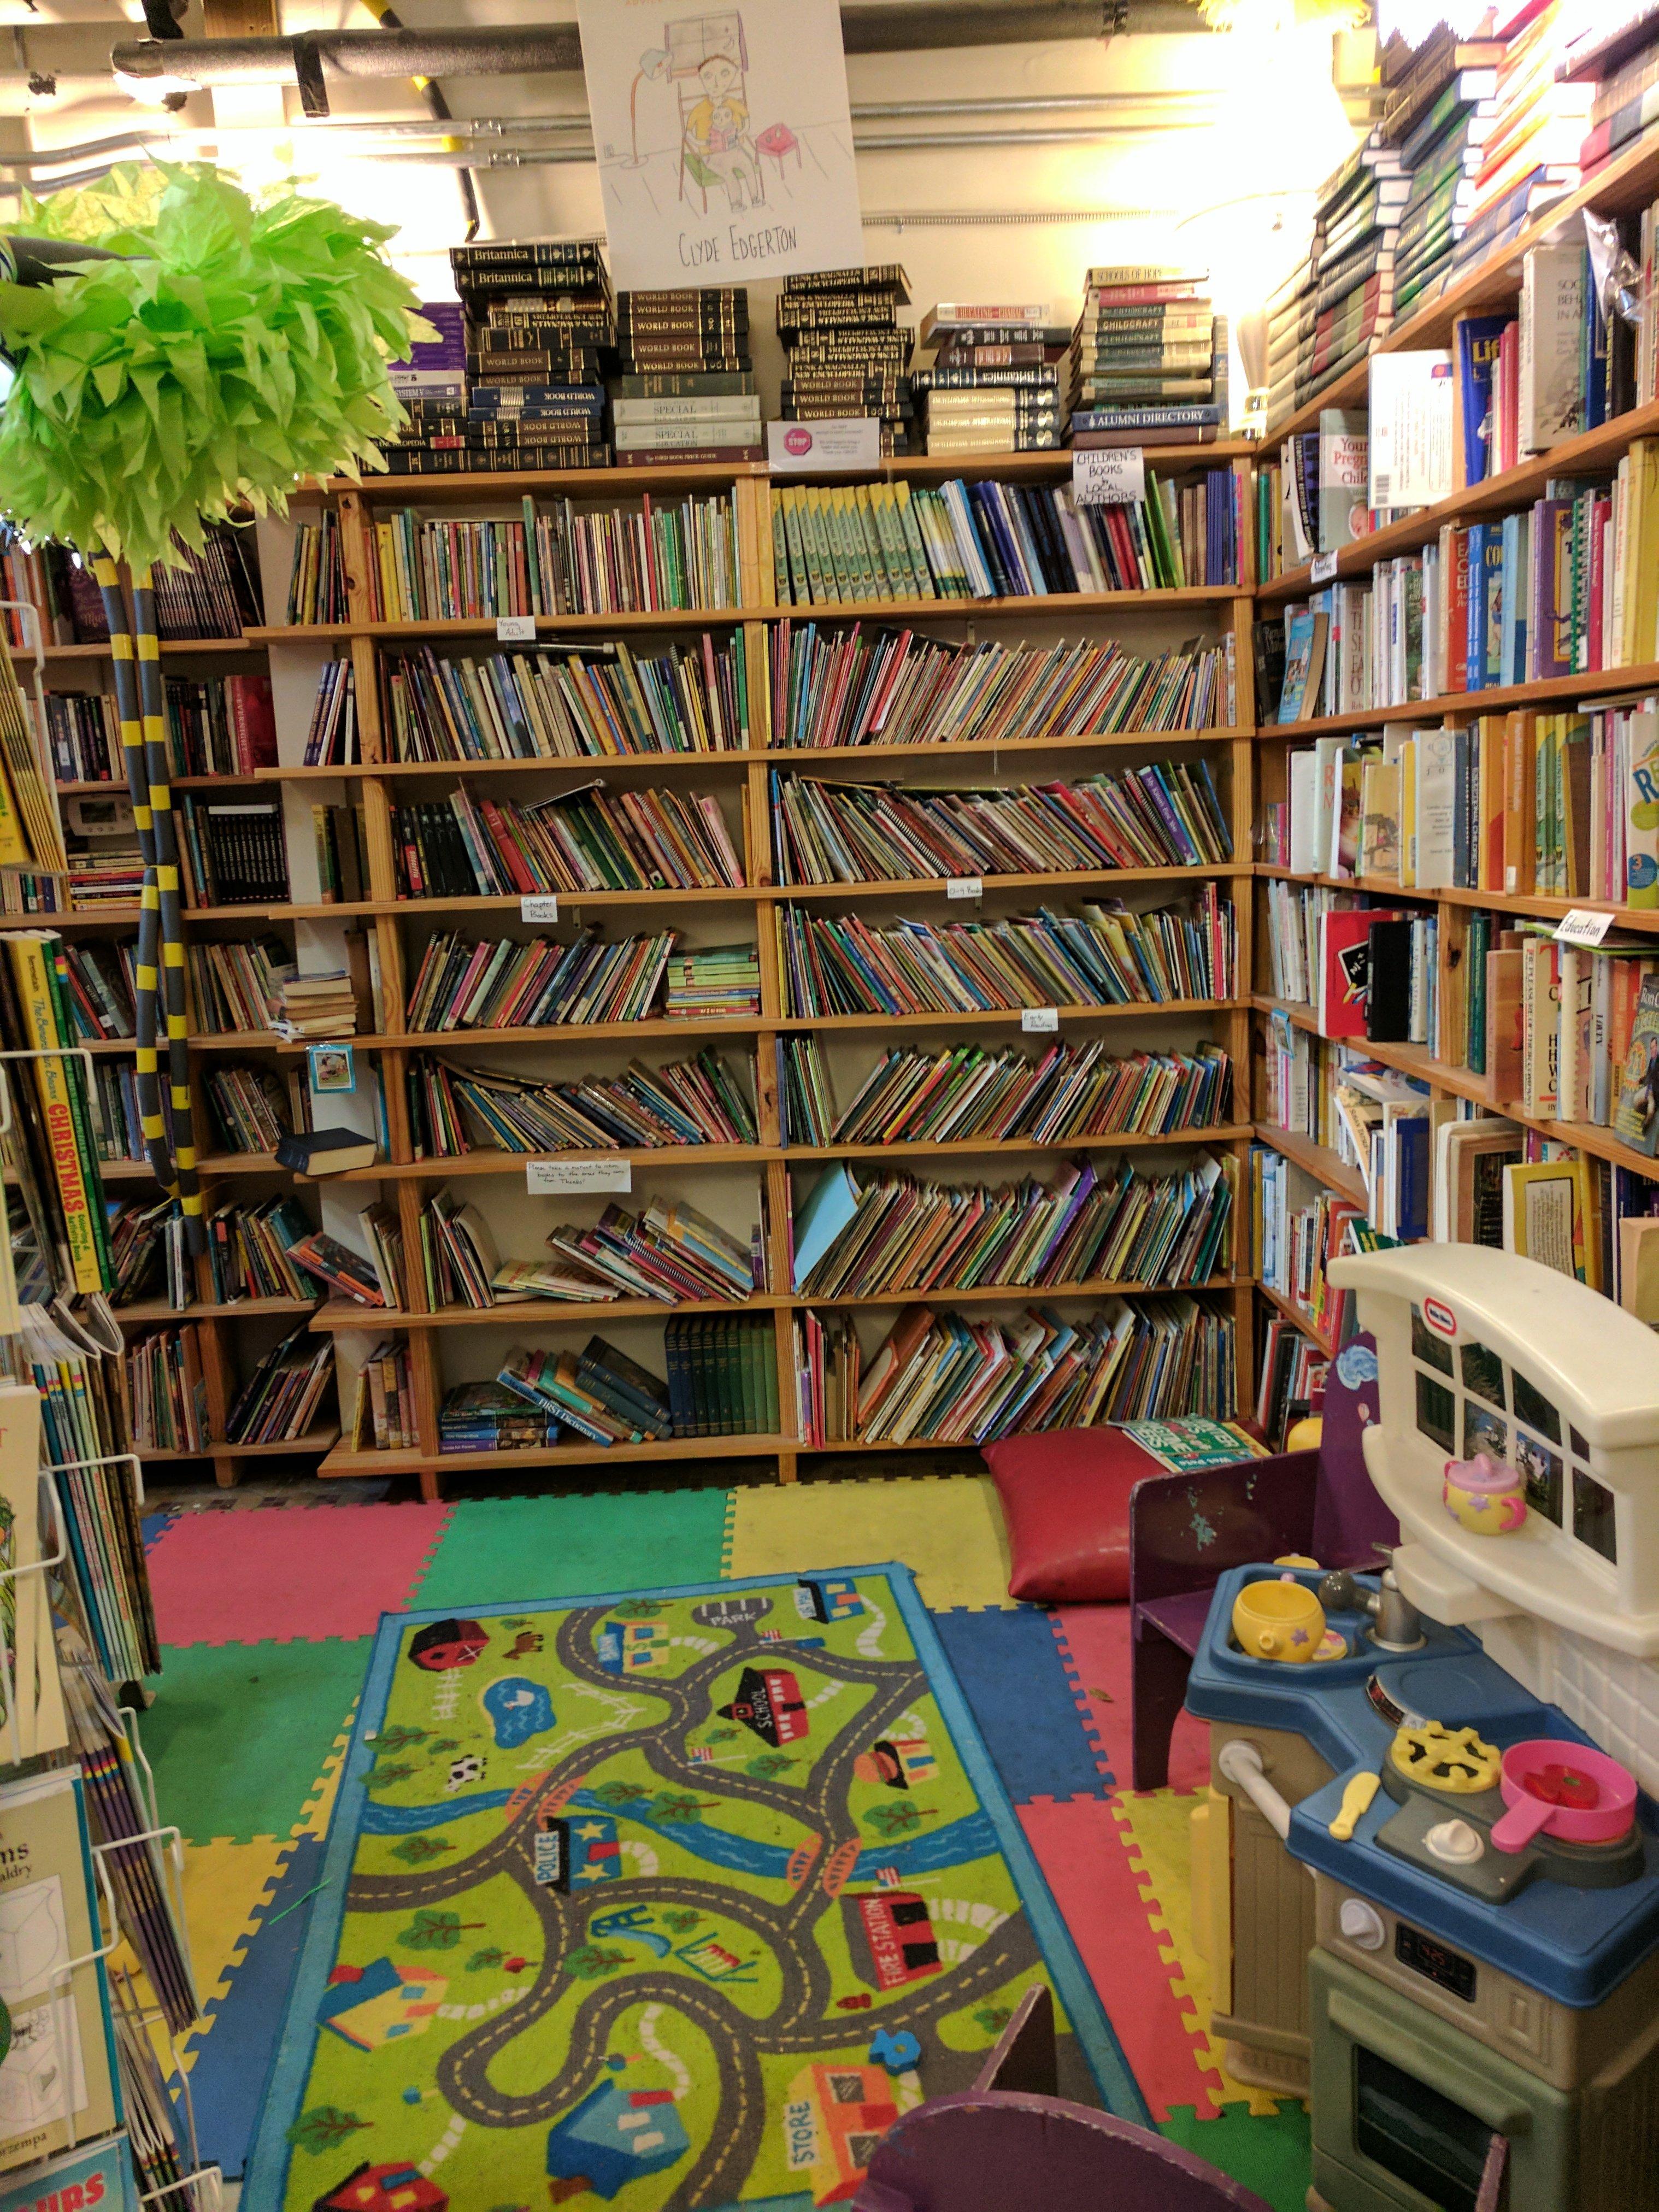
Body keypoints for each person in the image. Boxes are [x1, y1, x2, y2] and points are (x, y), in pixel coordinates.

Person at [685, 50, 764, 211]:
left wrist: (741, 133)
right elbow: (687, 133)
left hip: (735, 150)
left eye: (724, 76)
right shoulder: (699, 109)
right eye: (709, 77)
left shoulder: (733, 103)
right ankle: (736, 204)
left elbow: (746, 120)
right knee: (729, 175)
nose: (716, 84)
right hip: (711, 155)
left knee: (749, 166)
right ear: (702, 80)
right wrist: (702, 142)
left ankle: (756, 198)